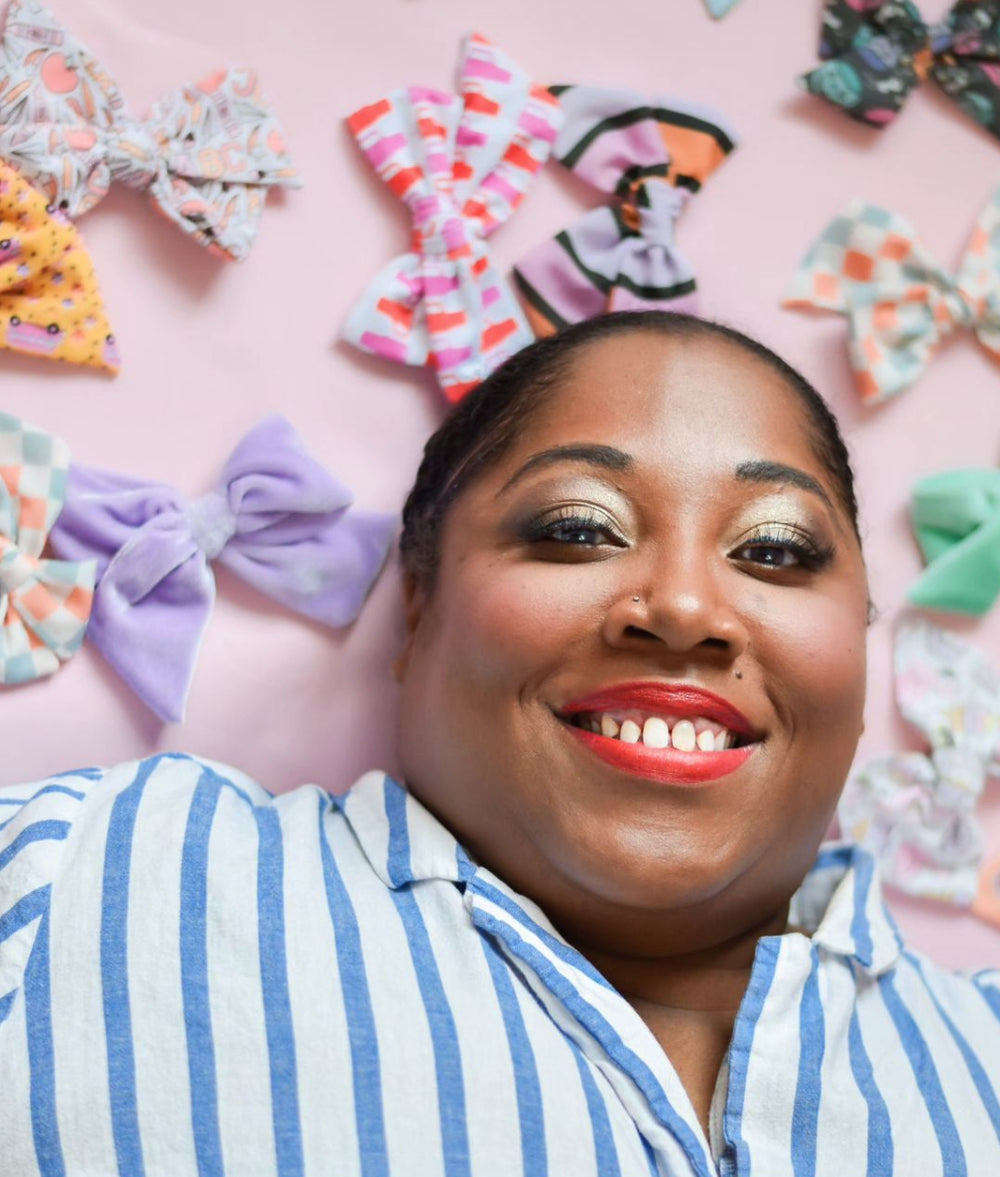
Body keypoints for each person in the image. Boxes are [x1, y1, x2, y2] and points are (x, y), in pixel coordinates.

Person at [1, 312, 997, 1176]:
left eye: (775, 549)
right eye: (579, 528)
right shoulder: (76, 875)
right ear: (419, 603)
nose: (685, 607)